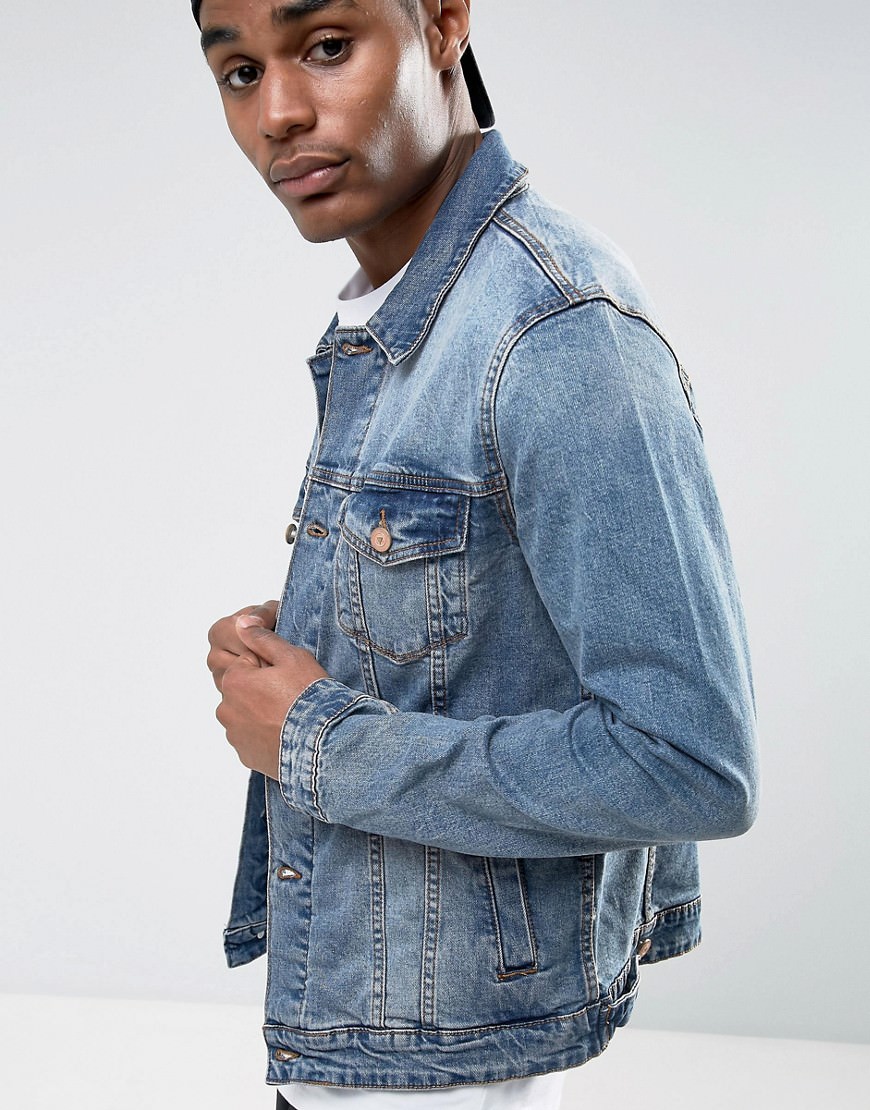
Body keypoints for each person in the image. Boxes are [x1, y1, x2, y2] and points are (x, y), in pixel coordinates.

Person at [198, 2, 759, 1107]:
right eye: (239, 71)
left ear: (445, 21)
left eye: (326, 46)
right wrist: (338, 624)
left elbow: (692, 760)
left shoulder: (554, 328)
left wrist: (317, 738)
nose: (280, 113)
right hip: (378, 1036)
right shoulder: (418, 309)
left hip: (452, 1065)